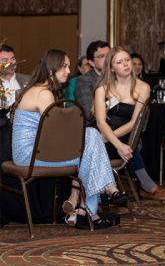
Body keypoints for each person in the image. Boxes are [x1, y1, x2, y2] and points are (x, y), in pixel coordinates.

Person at [9, 49, 124, 229]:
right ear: (50, 69)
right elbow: (55, 132)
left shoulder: (37, 89)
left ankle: (87, 208)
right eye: (64, 67)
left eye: (69, 66)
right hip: (31, 155)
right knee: (91, 143)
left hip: (31, 151)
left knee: (91, 141)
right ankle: (96, 201)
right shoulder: (44, 94)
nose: (69, 71)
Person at [93, 47, 165, 201]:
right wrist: (112, 141)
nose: (126, 64)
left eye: (127, 60)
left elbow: (135, 122)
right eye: (119, 62)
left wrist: (110, 139)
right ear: (111, 68)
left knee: (111, 146)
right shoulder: (102, 88)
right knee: (93, 144)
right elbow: (100, 122)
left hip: (123, 136)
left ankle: (91, 198)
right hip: (103, 134)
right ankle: (140, 186)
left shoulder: (143, 87)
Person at [75, 40, 110, 124]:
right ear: (92, 62)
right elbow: (90, 114)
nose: (107, 59)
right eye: (102, 56)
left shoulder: (120, 77)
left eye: (109, 55)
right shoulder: (84, 80)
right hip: (97, 131)